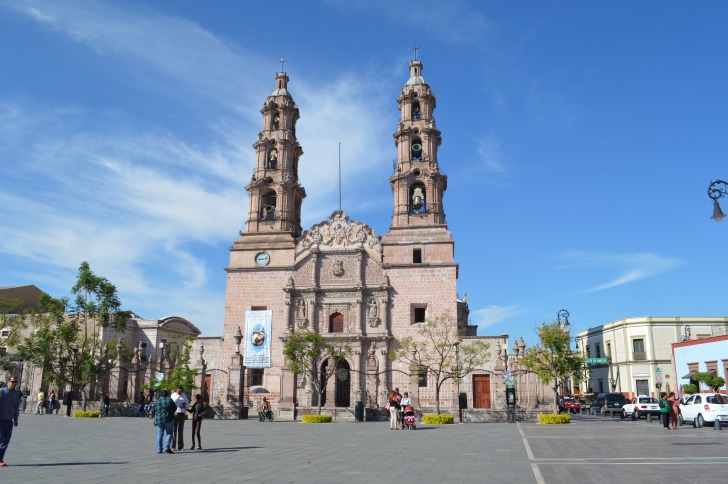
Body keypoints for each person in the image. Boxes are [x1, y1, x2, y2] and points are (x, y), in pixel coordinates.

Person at [0, 377, 21, 466]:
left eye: (15, 382)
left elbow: (16, 407)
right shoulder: (2, 392)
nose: (14, 383)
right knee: (0, 439)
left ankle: (0, 459)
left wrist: (16, 419)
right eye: (12, 382)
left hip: (9, 421)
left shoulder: (16, 394)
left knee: (6, 441)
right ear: (8, 382)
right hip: (0, 420)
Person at [151, 390, 177, 454]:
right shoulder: (170, 400)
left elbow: (153, 410)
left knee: (159, 435)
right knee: (169, 433)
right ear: (167, 394)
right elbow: (175, 408)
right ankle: (167, 448)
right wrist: (170, 411)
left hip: (159, 419)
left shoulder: (157, 401)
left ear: (161, 394)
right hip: (169, 419)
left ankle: (159, 449)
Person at [170, 386, 189, 451]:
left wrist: (184, 406)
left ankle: (180, 446)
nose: (181, 392)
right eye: (180, 390)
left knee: (181, 430)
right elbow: (173, 402)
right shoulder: (173, 395)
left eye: (182, 390)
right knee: (174, 430)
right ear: (177, 389)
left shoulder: (184, 396)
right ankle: (173, 446)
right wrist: (178, 395)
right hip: (175, 414)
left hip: (182, 414)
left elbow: (188, 404)